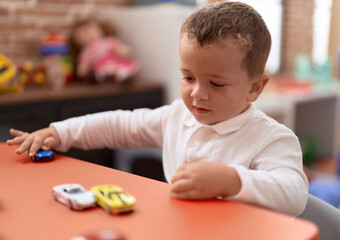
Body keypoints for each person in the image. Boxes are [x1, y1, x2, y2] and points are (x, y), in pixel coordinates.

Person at [7, 1, 308, 216]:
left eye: (216, 84)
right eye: (188, 77)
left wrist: (232, 181)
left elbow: (294, 193)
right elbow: (119, 125)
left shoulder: (271, 139)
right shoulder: (178, 116)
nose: (197, 94)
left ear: (255, 87)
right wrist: (59, 132)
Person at [68, 18, 138, 83]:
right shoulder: (86, 51)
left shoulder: (109, 42)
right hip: (101, 69)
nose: (87, 35)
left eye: (88, 31)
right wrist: (82, 72)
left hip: (117, 65)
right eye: (81, 36)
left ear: (100, 30)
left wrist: (122, 51)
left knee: (123, 71)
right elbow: (83, 66)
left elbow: (125, 51)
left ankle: (124, 77)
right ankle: (99, 79)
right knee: (99, 74)